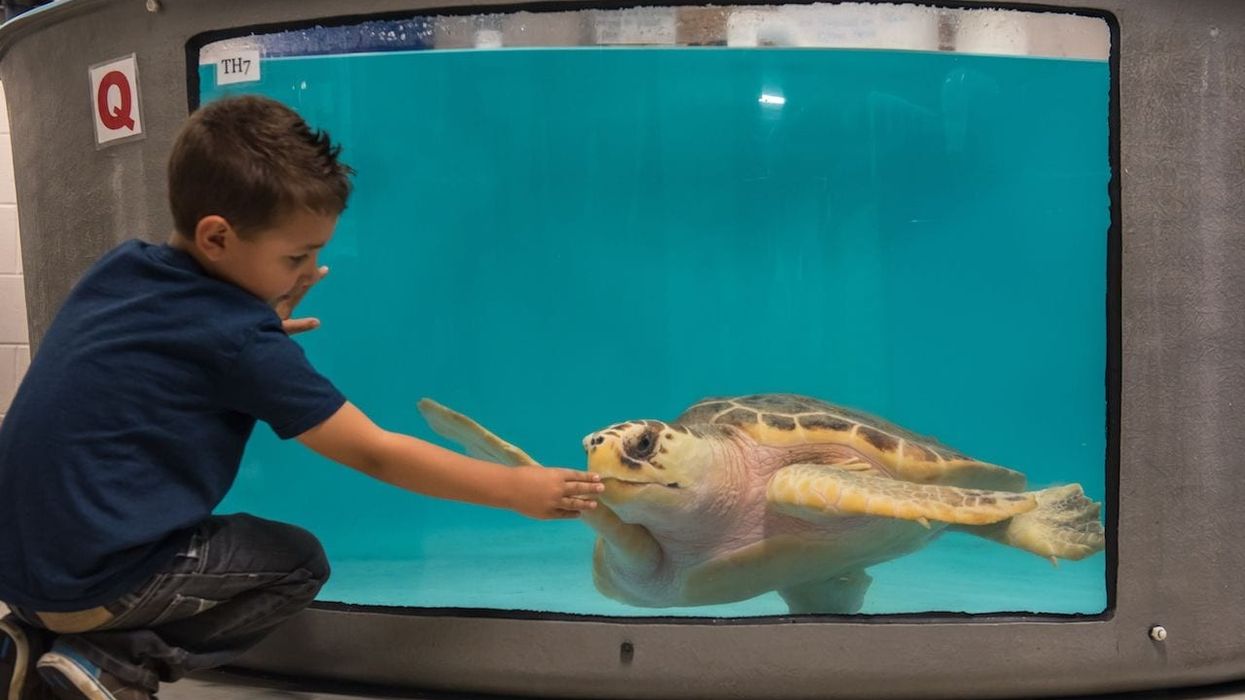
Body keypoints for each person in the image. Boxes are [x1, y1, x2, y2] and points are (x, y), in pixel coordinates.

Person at [0, 94, 603, 700]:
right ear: (217, 237)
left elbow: (170, 351)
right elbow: (375, 452)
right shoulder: (239, 342)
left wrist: (257, 318)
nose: (310, 269)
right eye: (296, 256)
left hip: (18, 574)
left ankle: (23, 641)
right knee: (297, 564)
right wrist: (517, 491)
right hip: (98, 590)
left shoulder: (122, 269)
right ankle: (110, 664)